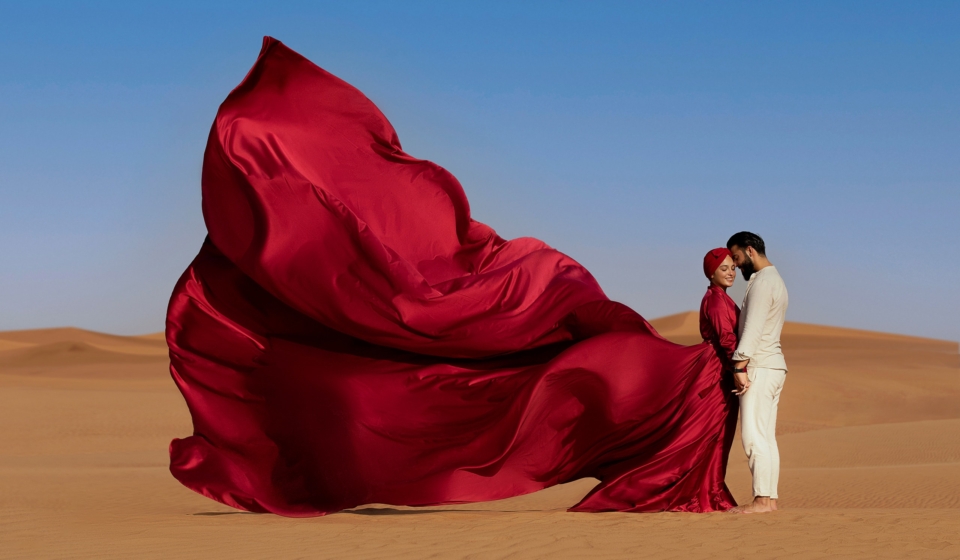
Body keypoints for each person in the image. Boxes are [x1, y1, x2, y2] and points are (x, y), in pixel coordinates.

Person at [726, 232, 789, 514]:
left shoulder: (764, 283)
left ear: (750, 251)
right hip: (771, 365)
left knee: (753, 436)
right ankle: (768, 499)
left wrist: (739, 364)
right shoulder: (773, 279)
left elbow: (752, 329)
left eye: (737, 258)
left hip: (760, 366)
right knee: (765, 436)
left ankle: (763, 501)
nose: (736, 266)